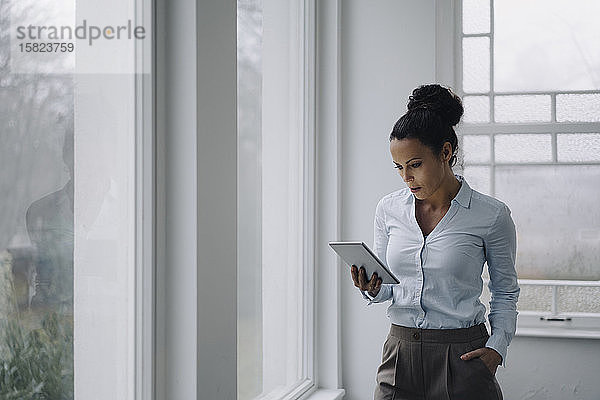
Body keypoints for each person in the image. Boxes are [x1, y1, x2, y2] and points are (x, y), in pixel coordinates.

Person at [351, 84, 520, 400]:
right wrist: (371, 287)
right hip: (399, 354)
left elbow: (506, 290)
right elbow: (389, 288)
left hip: (464, 356)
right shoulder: (388, 209)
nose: (406, 177)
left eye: (415, 164)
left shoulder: (492, 215)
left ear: (445, 152)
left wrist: (497, 348)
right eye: (399, 167)